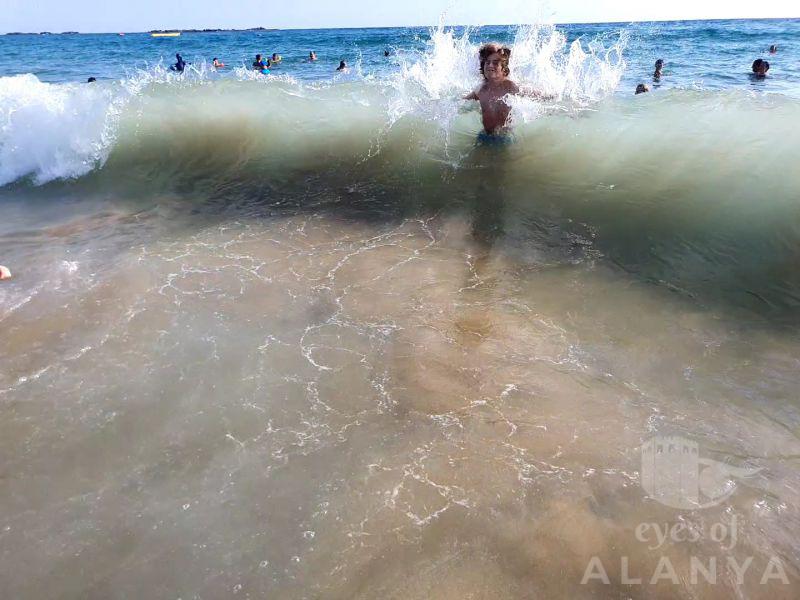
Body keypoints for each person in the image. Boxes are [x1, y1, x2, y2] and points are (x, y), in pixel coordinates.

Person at [463, 42, 551, 139]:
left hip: (505, 137)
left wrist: (548, 96)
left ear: (504, 69)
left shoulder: (509, 86)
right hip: (484, 135)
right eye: (487, 62)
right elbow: (463, 102)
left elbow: (530, 93)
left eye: (495, 63)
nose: (490, 65)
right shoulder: (481, 89)